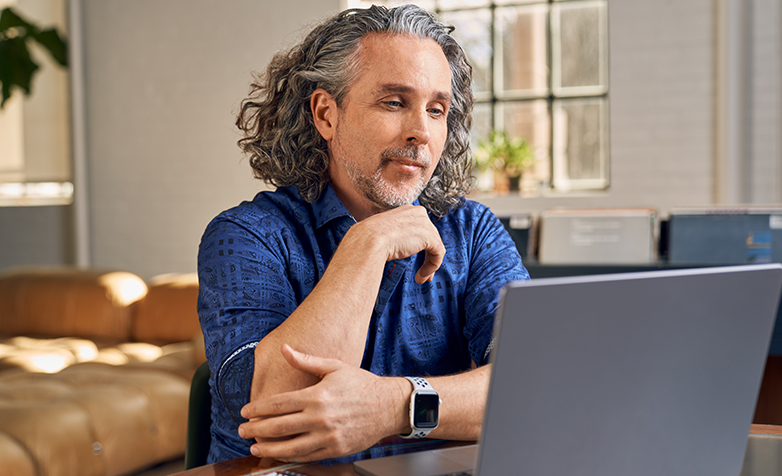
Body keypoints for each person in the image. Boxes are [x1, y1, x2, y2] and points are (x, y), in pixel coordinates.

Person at [197, 4, 529, 465]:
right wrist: (368, 243)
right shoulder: (247, 236)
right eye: (394, 102)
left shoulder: (471, 231)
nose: (421, 132)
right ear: (326, 115)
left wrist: (396, 406)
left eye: (436, 110)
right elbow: (280, 409)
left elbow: (537, 382)